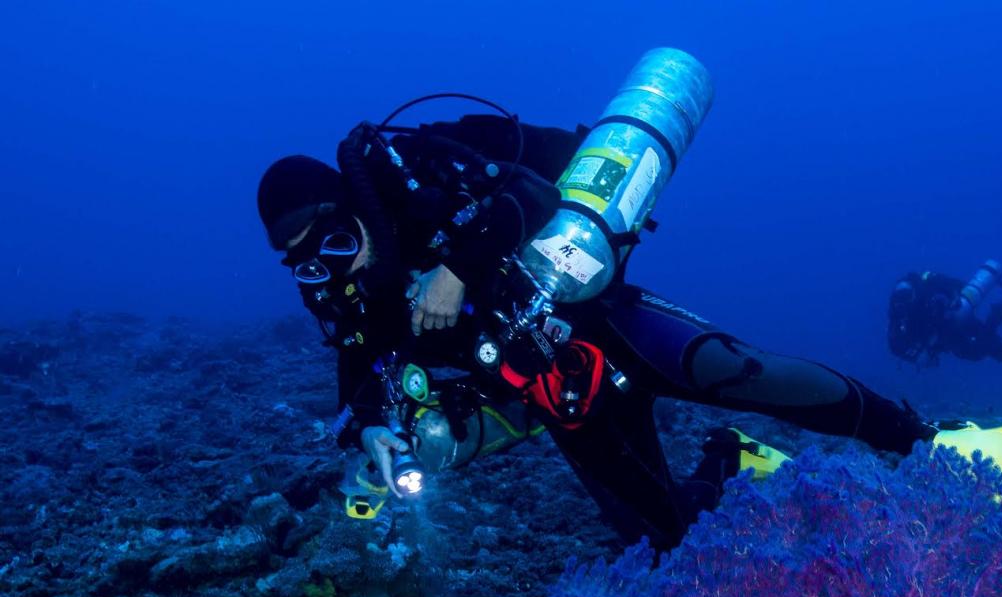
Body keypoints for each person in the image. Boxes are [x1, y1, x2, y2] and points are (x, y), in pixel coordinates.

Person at [258, 110, 940, 551]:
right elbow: (361, 374)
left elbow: (534, 193)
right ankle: (725, 460)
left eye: (339, 245)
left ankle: (918, 440)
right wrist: (371, 426)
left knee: (752, 375)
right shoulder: (355, 300)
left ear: (355, 209)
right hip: (558, 400)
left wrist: (457, 270)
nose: (332, 273)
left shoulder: (421, 188)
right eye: (310, 265)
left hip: (605, 325)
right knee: (665, 540)